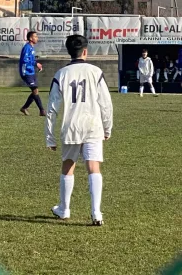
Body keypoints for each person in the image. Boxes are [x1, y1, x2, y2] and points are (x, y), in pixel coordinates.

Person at [45, 35, 113, 226]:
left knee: (68, 166)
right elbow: (106, 104)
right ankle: (96, 213)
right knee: (93, 167)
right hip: (93, 125)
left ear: (69, 51)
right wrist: (107, 127)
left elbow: (52, 108)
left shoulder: (61, 74)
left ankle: (64, 209)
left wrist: (49, 137)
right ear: (85, 51)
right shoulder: (96, 71)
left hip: (71, 126)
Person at [19, 31, 46, 116]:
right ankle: (42, 110)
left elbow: (31, 60)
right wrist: (35, 64)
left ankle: (24, 108)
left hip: (31, 72)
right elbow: (25, 60)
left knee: (35, 91)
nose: (37, 38)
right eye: (35, 36)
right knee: (35, 90)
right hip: (26, 72)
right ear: (30, 38)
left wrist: (37, 64)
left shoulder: (31, 48)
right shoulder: (27, 47)